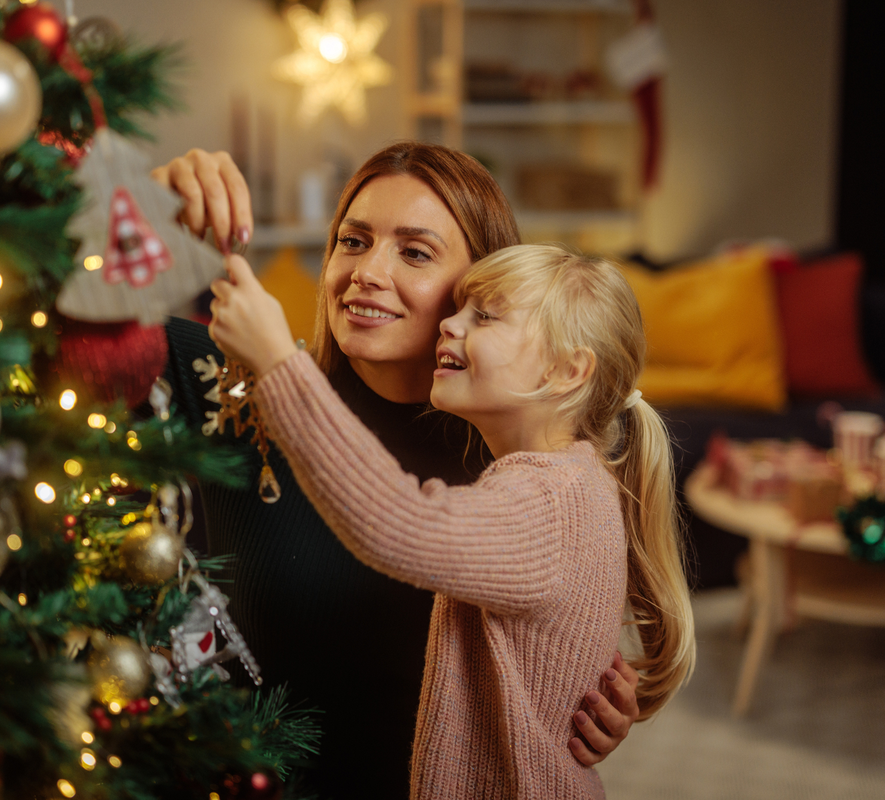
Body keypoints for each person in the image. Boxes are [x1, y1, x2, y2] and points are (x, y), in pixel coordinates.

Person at [152, 144, 639, 797]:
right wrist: (143, 206)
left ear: (482, 283)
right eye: (352, 241)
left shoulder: (520, 468)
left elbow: (414, 530)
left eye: (414, 252)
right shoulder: (236, 383)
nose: (366, 273)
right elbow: (33, 306)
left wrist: (564, 698)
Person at [207, 243, 696, 798]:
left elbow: (400, 522)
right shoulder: (573, 480)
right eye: (459, 308)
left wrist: (276, 362)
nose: (449, 324)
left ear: (567, 370)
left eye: (484, 315)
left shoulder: (549, 499)